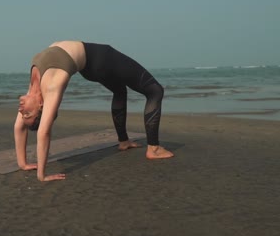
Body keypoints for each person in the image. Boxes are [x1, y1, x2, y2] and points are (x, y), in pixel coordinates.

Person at [14, 41, 174, 182]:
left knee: (119, 91)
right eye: (27, 114)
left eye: (23, 114)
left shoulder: (33, 91)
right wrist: (41, 175)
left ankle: (124, 142)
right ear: (41, 105)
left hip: (92, 67)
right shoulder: (52, 86)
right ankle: (154, 148)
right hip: (102, 58)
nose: (21, 110)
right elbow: (43, 132)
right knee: (155, 91)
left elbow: (19, 127)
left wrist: (23, 163)